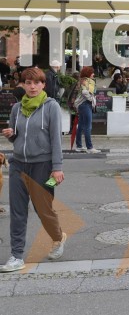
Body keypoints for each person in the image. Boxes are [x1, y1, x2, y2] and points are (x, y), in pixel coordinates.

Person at [1, 67, 67, 273]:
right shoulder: (17, 109)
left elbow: (56, 139)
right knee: (18, 212)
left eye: (36, 83)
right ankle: (16, 256)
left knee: (43, 210)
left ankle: (58, 237)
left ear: (43, 85)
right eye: (27, 83)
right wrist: (11, 134)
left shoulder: (51, 107)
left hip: (44, 167)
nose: (32, 87)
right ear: (22, 85)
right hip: (18, 165)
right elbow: (15, 136)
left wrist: (57, 168)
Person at [73, 66, 99, 154]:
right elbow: (85, 92)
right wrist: (91, 99)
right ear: (88, 73)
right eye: (92, 73)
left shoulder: (82, 80)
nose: (93, 74)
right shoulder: (86, 81)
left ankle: (79, 146)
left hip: (81, 105)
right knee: (88, 126)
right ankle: (89, 147)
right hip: (85, 104)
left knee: (80, 125)